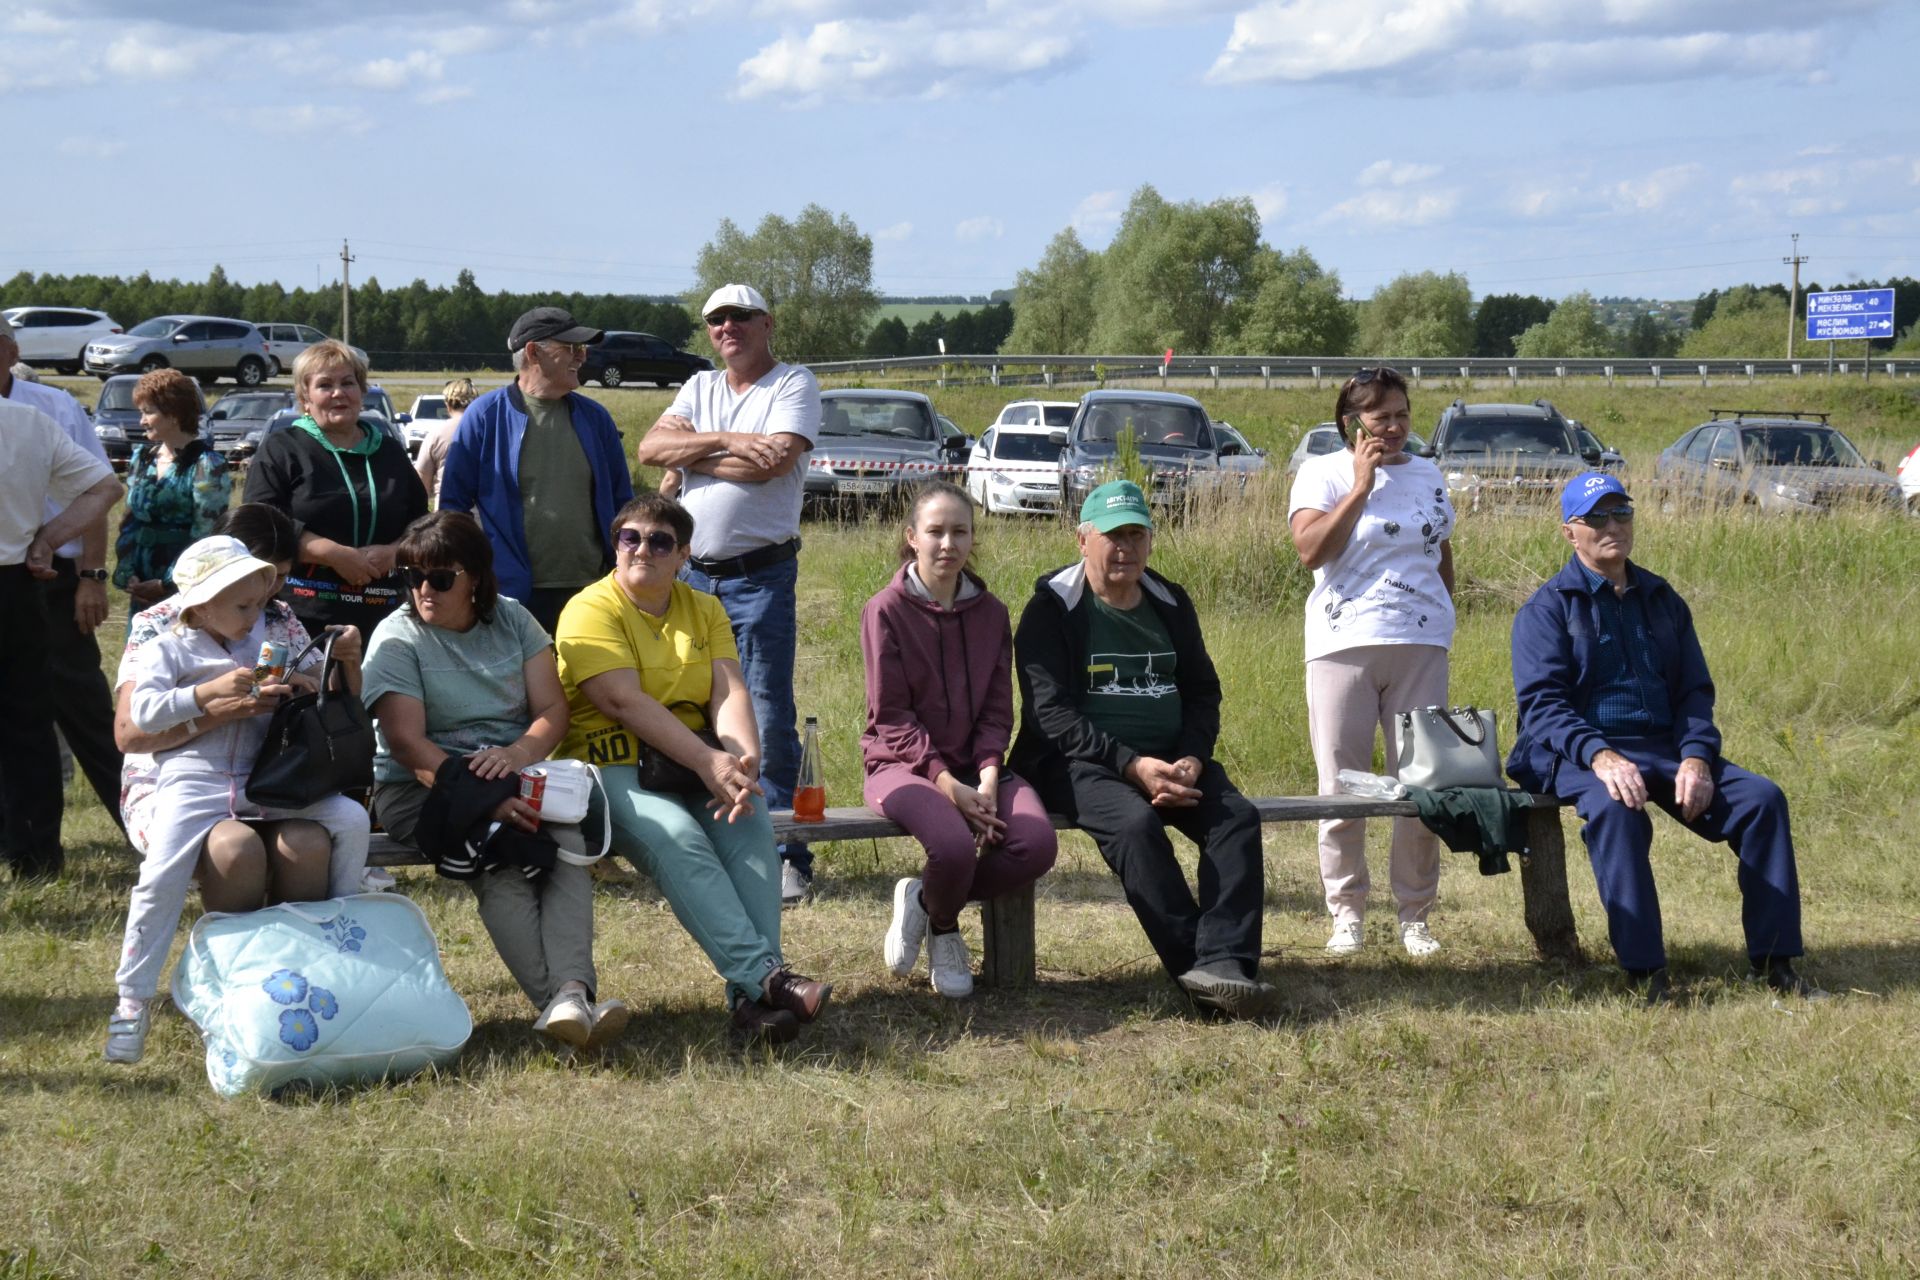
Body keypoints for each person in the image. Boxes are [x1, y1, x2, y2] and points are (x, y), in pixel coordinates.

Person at [1508, 473, 1820, 1005]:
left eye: (1622, 513)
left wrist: (1697, 758)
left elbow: (1695, 691)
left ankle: (1776, 962)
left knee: (1762, 800)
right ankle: (1646, 972)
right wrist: (1601, 756)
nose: (1613, 526)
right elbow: (1542, 707)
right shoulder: (1548, 608)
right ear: (1570, 532)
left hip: (1665, 748)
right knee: (1616, 812)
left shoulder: (1662, 598)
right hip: (1578, 751)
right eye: (1598, 517)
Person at [555, 493, 829, 1043]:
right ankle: (767, 978)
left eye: (659, 541)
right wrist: (711, 761)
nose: (642, 550)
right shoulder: (590, 608)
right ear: (615, 546)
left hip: (691, 764)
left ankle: (753, 1006)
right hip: (611, 767)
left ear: (683, 554)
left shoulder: (703, 608)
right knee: (680, 839)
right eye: (629, 537)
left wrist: (743, 763)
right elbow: (622, 702)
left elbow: (728, 689)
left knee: (750, 825)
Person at [1008, 481, 1278, 1019]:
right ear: (1082, 540)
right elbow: (1050, 715)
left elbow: (1203, 690)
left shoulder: (1171, 601)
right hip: (1075, 762)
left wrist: (1193, 759)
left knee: (1237, 820)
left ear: (1151, 540)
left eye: (1136, 533)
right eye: (1112, 536)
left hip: (1171, 758)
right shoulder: (1051, 609)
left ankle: (1226, 965)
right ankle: (1194, 971)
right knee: (1136, 827)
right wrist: (1132, 767)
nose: (1125, 547)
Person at [362, 511, 629, 1050]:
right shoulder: (395, 639)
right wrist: (484, 802)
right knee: (502, 856)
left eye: (439, 578)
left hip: (515, 775)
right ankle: (561, 1002)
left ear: (475, 578)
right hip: (424, 788)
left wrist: (516, 755)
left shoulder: (513, 620)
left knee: (570, 842)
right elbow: (408, 746)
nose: (422, 590)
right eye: (410, 577)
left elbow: (552, 709)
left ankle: (571, 996)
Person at [107, 535, 372, 1062]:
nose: (258, 615)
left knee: (351, 818)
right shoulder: (166, 648)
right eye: (244, 606)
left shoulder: (266, 640)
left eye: (260, 602)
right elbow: (143, 718)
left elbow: (318, 691)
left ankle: (345, 943)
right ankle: (132, 1001)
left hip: (263, 779)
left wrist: (301, 682)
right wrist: (206, 694)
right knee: (159, 878)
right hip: (192, 780)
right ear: (199, 606)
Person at [633, 284, 821, 905]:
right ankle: (710, 841)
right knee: (688, 710)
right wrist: (734, 441)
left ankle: (786, 852)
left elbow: (774, 464)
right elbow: (650, 448)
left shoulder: (794, 384)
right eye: (716, 320)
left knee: (765, 710)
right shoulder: (699, 386)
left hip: (760, 577)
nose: (728, 327)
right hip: (689, 577)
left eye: (740, 316)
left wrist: (698, 454)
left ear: (768, 322)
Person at [862, 483, 1058, 998]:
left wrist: (989, 777)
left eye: (959, 531)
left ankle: (926, 903)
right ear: (911, 538)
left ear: (973, 538)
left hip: (977, 766)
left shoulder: (992, 612)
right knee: (953, 846)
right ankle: (947, 931)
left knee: (1035, 844)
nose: (947, 543)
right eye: (935, 531)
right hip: (900, 766)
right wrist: (950, 787)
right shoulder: (885, 610)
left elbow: (997, 710)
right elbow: (892, 717)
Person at [1286, 365, 1456, 957]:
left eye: (1403, 414)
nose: (1394, 427)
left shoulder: (1430, 473)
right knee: (1341, 784)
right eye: (1380, 417)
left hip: (1421, 643)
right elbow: (1310, 551)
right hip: (1343, 644)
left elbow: (1438, 549)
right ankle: (1347, 914)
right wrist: (1360, 485)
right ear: (1350, 422)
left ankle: (1415, 914)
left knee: (1423, 782)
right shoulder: (1322, 472)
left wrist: (1441, 616)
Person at [0, 314, 126, 847]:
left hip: (53, 574)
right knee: (25, 719)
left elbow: (98, 491)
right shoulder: (29, 420)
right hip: (24, 570)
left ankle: (142, 826)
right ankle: (23, 843)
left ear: (8, 352)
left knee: (82, 709)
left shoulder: (49, 408)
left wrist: (91, 576)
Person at [439, 308, 634, 633]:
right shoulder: (485, 416)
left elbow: (624, 504)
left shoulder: (596, 418)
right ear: (533, 352)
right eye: (572, 348)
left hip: (595, 591)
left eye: (583, 349)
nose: (581, 358)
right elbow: (452, 510)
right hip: (511, 596)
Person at [242, 340, 428, 638]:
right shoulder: (282, 449)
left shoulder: (390, 452)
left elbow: (423, 524)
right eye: (325, 385)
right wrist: (334, 555)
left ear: (362, 391)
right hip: (299, 618)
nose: (338, 393)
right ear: (305, 398)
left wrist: (395, 553)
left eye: (348, 383)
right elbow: (259, 526)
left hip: (386, 617)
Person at [114, 367, 232, 608]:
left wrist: (166, 584)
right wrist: (128, 574)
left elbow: (207, 535)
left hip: (185, 584)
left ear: (174, 414)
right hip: (141, 581)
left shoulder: (207, 464)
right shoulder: (142, 457)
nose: (142, 421)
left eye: (148, 412)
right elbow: (130, 521)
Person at [413, 377, 477, 507]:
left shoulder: (436, 434)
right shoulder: (488, 431)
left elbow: (422, 481)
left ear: (447, 404)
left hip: (446, 511)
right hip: (482, 514)